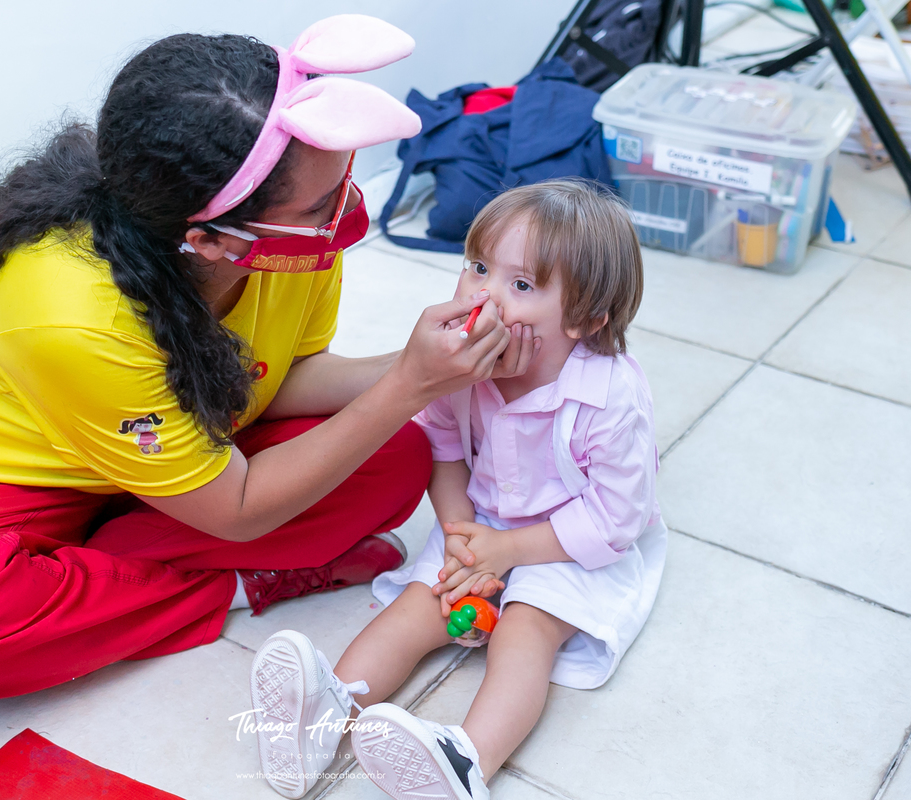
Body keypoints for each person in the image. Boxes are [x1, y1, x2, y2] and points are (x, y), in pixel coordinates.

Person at [0, 15, 542, 701]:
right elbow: (237, 509)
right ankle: (235, 584)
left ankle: (93, 576)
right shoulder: (67, 313)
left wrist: (423, 367)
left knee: (397, 458)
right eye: (321, 205)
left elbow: (279, 379)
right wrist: (408, 385)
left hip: (181, 458)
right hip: (11, 482)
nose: (348, 209)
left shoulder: (286, 238)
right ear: (211, 241)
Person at [247, 180, 668, 800]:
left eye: (520, 285)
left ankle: (468, 761)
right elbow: (444, 452)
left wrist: (507, 553)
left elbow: (614, 522)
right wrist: (458, 539)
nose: (484, 295)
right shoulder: (461, 366)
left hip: (567, 544)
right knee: (417, 611)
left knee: (526, 631)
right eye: (477, 267)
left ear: (585, 318)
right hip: (480, 530)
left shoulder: (608, 399)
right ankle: (325, 712)